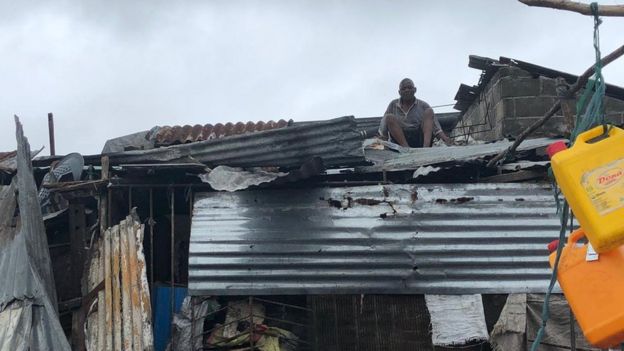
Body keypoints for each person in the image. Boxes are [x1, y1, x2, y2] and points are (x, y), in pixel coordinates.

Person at [378, 78, 453, 147]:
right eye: (403, 88)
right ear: (399, 92)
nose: (407, 90)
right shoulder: (393, 104)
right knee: (389, 117)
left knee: (429, 111)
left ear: (415, 90)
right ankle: (407, 149)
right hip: (400, 140)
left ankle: (425, 149)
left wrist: (445, 138)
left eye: (409, 87)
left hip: (419, 137)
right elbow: (384, 124)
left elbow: (436, 127)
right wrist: (382, 140)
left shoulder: (423, 105)